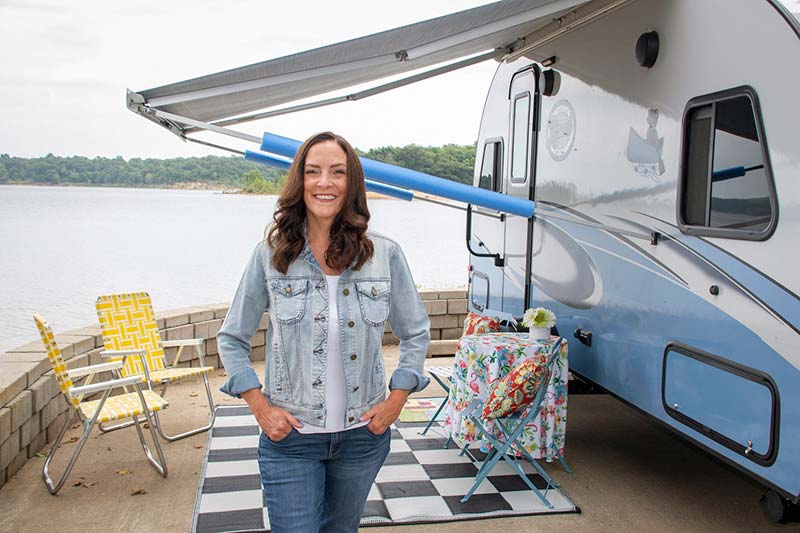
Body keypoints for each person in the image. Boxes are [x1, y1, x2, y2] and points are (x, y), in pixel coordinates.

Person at [217, 131, 431, 532]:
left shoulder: (384, 254)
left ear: (352, 183)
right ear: (300, 180)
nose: (324, 182)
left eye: (337, 172)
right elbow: (231, 339)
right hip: (292, 439)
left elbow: (416, 332)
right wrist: (260, 407)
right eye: (313, 171)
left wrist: (397, 399)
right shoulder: (270, 254)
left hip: (362, 439)